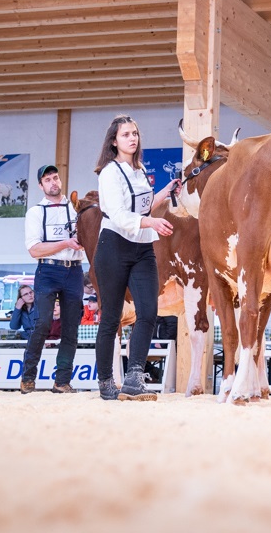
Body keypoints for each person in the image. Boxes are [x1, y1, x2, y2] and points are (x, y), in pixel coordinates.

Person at [93, 113, 180, 401]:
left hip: (142, 247)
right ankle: (106, 381)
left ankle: (134, 377)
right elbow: (119, 215)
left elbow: (143, 207)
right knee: (112, 318)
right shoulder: (109, 173)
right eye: (126, 134)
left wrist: (165, 192)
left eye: (135, 133)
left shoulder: (140, 170)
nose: (132, 138)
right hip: (113, 246)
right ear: (114, 141)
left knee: (148, 313)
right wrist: (152, 222)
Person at [19, 164, 85, 395]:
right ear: (41, 186)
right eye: (47, 180)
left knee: (71, 327)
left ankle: (62, 382)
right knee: (42, 323)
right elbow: (34, 250)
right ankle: (28, 378)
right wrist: (66, 243)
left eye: (55, 178)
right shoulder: (35, 212)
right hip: (47, 270)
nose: (53, 182)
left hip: (74, 270)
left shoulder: (76, 208)